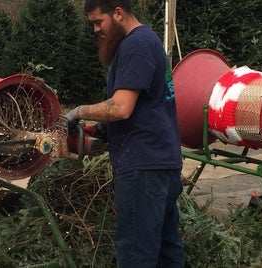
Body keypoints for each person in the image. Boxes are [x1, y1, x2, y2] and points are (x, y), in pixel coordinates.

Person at [65, 0, 185, 266]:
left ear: (118, 13)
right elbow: (146, 106)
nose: (96, 30)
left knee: (136, 255)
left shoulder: (135, 44)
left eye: (99, 22)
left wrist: (79, 112)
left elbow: (120, 107)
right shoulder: (148, 41)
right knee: (167, 253)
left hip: (143, 169)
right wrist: (100, 130)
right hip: (162, 164)